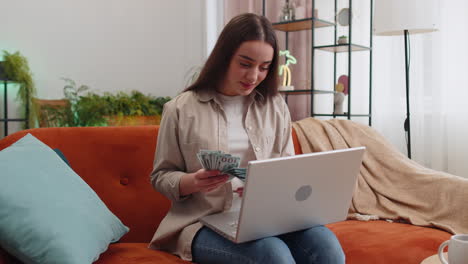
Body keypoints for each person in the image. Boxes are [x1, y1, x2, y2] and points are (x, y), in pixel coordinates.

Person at [149, 13, 345, 264]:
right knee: (273, 255)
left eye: (264, 67)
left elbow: (287, 169)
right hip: (203, 222)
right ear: (224, 57)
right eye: (245, 63)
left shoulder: (275, 107)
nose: (254, 76)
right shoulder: (180, 109)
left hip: (269, 218)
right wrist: (193, 182)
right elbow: (161, 176)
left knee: (327, 248)